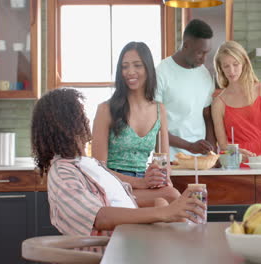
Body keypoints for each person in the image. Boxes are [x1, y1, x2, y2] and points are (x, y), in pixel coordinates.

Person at [31, 88, 206, 239]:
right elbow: (99, 217)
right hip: (113, 247)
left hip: (132, 236)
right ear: (69, 125)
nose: (86, 120)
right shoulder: (62, 172)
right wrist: (165, 213)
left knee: (170, 201)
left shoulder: (88, 164)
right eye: (81, 115)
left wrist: (160, 193)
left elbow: (119, 199)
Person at [92, 42, 180, 203]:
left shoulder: (160, 110)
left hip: (145, 185)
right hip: (113, 185)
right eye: (125, 67)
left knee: (165, 201)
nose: (130, 72)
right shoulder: (106, 109)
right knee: (171, 197)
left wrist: (161, 176)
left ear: (148, 68)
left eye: (137, 65)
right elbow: (98, 169)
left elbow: (165, 161)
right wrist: (141, 182)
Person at [155, 19, 216, 161]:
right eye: (200, 53)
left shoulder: (204, 74)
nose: (204, 59)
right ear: (186, 45)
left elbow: (207, 115)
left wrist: (211, 152)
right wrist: (189, 146)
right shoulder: (161, 73)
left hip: (200, 161)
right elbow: (154, 126)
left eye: (207, 53)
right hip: (170, 159)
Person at [212, 41, 261, 161]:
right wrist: (235, 151)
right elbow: (222, 144)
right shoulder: (218, 103)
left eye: (235, 64)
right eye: (226, 66)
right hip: (240, 161)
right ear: (220, 68)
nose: (231, 71)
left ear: (244, 63)